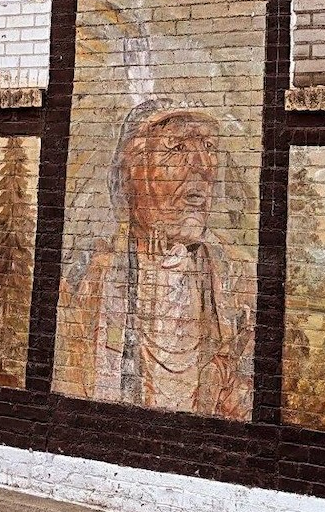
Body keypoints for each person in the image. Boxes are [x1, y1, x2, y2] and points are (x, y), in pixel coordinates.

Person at [56, 100, 255, 419]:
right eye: (176, 147)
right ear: (133, 170)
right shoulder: (85, 279)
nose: (203, 166)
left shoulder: (235, 280)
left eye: (207, 146)